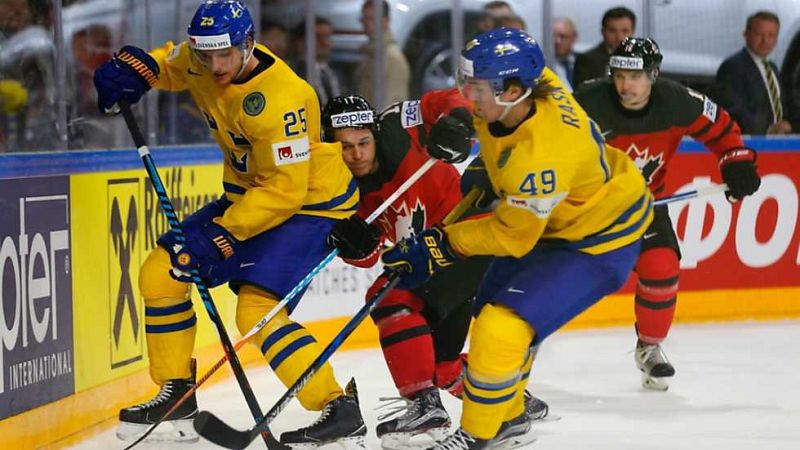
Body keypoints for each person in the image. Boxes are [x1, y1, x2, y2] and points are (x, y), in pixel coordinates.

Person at [93, 2, 367, 447]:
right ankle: (176, 399)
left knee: (255, 311)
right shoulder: (204, 57)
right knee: (161, 273)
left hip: (311, 206)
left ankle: (338, 406)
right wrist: (140, 70)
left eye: (225, 55)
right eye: (206, 55)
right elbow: (173, 64)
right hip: (250, 196)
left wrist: (224, 234)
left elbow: (284, 192)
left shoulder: (284, 98)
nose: (215, 65)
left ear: (248, 45)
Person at [380, 28, 654, 449]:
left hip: (597, 239)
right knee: (488, 303)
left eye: (477, 89)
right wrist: (457, 117)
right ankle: (508, 418)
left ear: (511, 91)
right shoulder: (525, 86)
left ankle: (477, 435)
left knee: (501, 328)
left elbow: (512, 236)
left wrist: (441, 245)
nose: (468, 95)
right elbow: (493, 99)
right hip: (562, 213)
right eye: (465, 83)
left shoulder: (540, 158)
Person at [322, 91, 550, 449]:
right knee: (439, 367)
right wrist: (355, 248)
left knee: (388, 296)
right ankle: (511, 404)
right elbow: (368, 257)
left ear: (375, 133)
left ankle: (424, 407)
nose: (357, 154)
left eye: (363, 142)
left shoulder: (398, 128)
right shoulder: (336, 186)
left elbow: (448, 99)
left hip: (469, 240)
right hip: (434, 264)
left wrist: (458, 123)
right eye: (345, 147)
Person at [574, 37, 762, 391]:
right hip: (585, 209)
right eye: (618, 75)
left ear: (654, 75)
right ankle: (522, 347)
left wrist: (735, 159)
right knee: (549, 277)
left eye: (635, 77)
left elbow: (722, 129)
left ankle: (649, 346)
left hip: (644, 206)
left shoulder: (678, 101)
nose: (624, 85)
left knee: (661, 268)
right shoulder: (586, 102)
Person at [715, 11, 791, 135]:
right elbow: (732, 109)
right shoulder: (732, 67)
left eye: (771, 35)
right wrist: (768, 129)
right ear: (746, 34)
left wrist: (787, 124)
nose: (765, 40)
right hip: (752, 143)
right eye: (759, 34)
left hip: (780, 144)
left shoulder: (773, 68)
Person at [355, 0, 410, 110]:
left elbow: (390, 105)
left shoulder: (392, 58)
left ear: (385, 21)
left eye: (371, 18)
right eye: (364, 18)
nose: (366, 23)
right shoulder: (371, 54)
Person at [573, 6, 635, 88]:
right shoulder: (587, 61)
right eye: (612, 31)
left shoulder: (644, 59)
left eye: (625, 31)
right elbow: (582, 93)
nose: (619, 37)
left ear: (633, 32)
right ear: (603, 31)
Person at [289, 17, 343, 106]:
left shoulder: (337, 73)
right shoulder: (293, 74)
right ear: (300, 42)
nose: (324, 42)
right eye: (317, 37)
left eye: (327, 36)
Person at [550, 17, 578, 91]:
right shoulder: (543, 65)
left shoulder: (583, 61)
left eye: (563, 37)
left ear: (574, 38)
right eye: (553, 36)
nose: (557, 41)